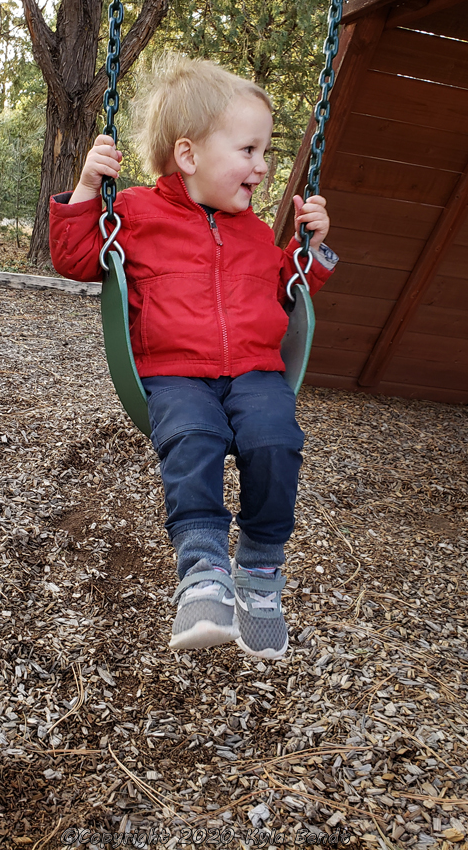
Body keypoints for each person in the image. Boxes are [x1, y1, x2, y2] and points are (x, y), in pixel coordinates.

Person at [49, 55, 336, 659]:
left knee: (276, 440)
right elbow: (75, 259)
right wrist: (83, 189)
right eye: (249, 151)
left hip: (255, 370)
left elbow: (291, 284)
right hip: (173, 372)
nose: (263, 167)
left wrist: (314, 248)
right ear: (189, 155)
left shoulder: (256, 233)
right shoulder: (135, 212)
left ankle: (259, 571)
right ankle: (203, 572)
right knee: (194, 437)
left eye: (264, 152)